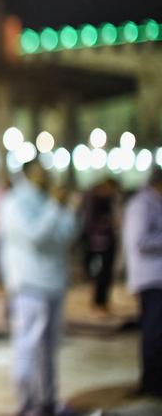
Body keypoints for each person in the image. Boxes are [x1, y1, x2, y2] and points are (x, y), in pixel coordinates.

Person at [0, 160, 77, 416]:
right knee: (29, 347)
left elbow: (68, 233)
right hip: (29, 285)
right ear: (29, 174)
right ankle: (28, 404)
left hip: (54, 283)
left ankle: (48, 402)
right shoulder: (14, 203)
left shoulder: (46, 201)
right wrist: (55, 207)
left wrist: (62, 208)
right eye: (42, 172)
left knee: (49, 350)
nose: (47, 176)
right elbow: (36, 237)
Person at [122, 167, 162, 398]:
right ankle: (152, 382)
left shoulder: (153, 202)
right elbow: (140, 241)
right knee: (153, 332)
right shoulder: (141, 205)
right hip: (150, 278)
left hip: (157, 276)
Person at [80, 178, 120, 316]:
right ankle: (98, 301)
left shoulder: (106, 199)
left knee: (106, 272)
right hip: (97, 241)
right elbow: (90, 221)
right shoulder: (94, 199)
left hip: (105, 240)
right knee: (101, 273)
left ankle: (102, 301)